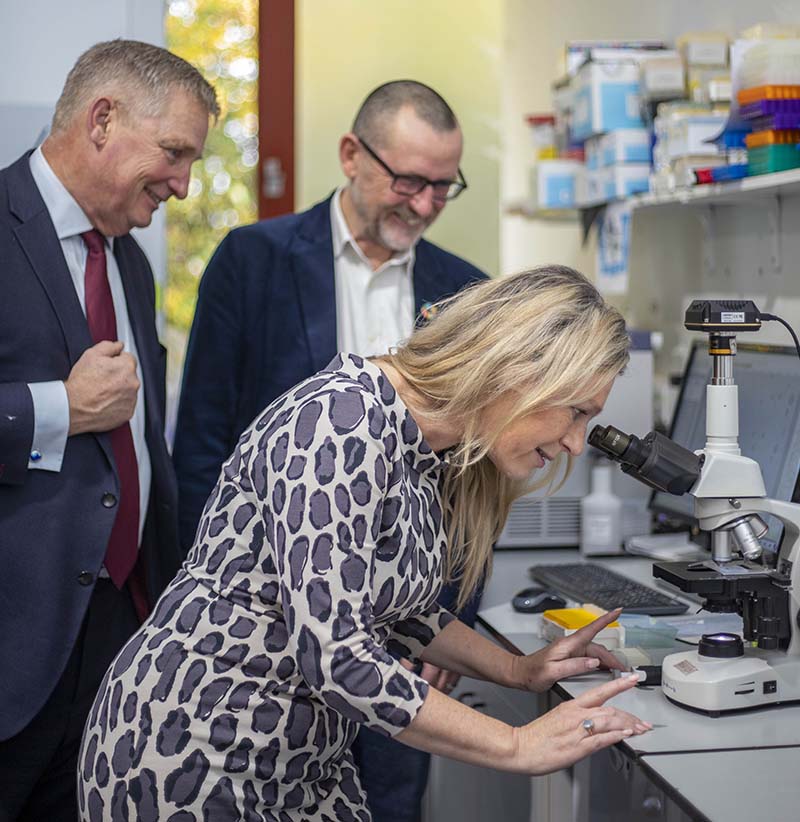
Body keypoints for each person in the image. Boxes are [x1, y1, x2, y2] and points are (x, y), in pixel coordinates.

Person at [79, 265, 651, 821]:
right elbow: (337, 655)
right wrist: (516, 745)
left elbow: (399, 610)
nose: (578, 444)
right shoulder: (340, 421)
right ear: (519, 370)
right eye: (577, 412)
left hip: (302, 765)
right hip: (194, 751)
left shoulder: (427, 446)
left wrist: (517, 670)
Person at [172, 79, 487, 819]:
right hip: (264, 648)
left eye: (445, 186)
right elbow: (201, 453)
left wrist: (448, 629)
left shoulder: (464, 292)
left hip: (403, 644)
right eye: (409, 180)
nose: (425, 204)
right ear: (352, 154)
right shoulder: (252, 262)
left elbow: (472, 488)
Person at [0, 40, 218, 821]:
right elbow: (83, 415)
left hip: (117, 646)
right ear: (102, 120)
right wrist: (57, 407)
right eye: (174, 152)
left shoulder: (128, 263)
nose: (184, 185)